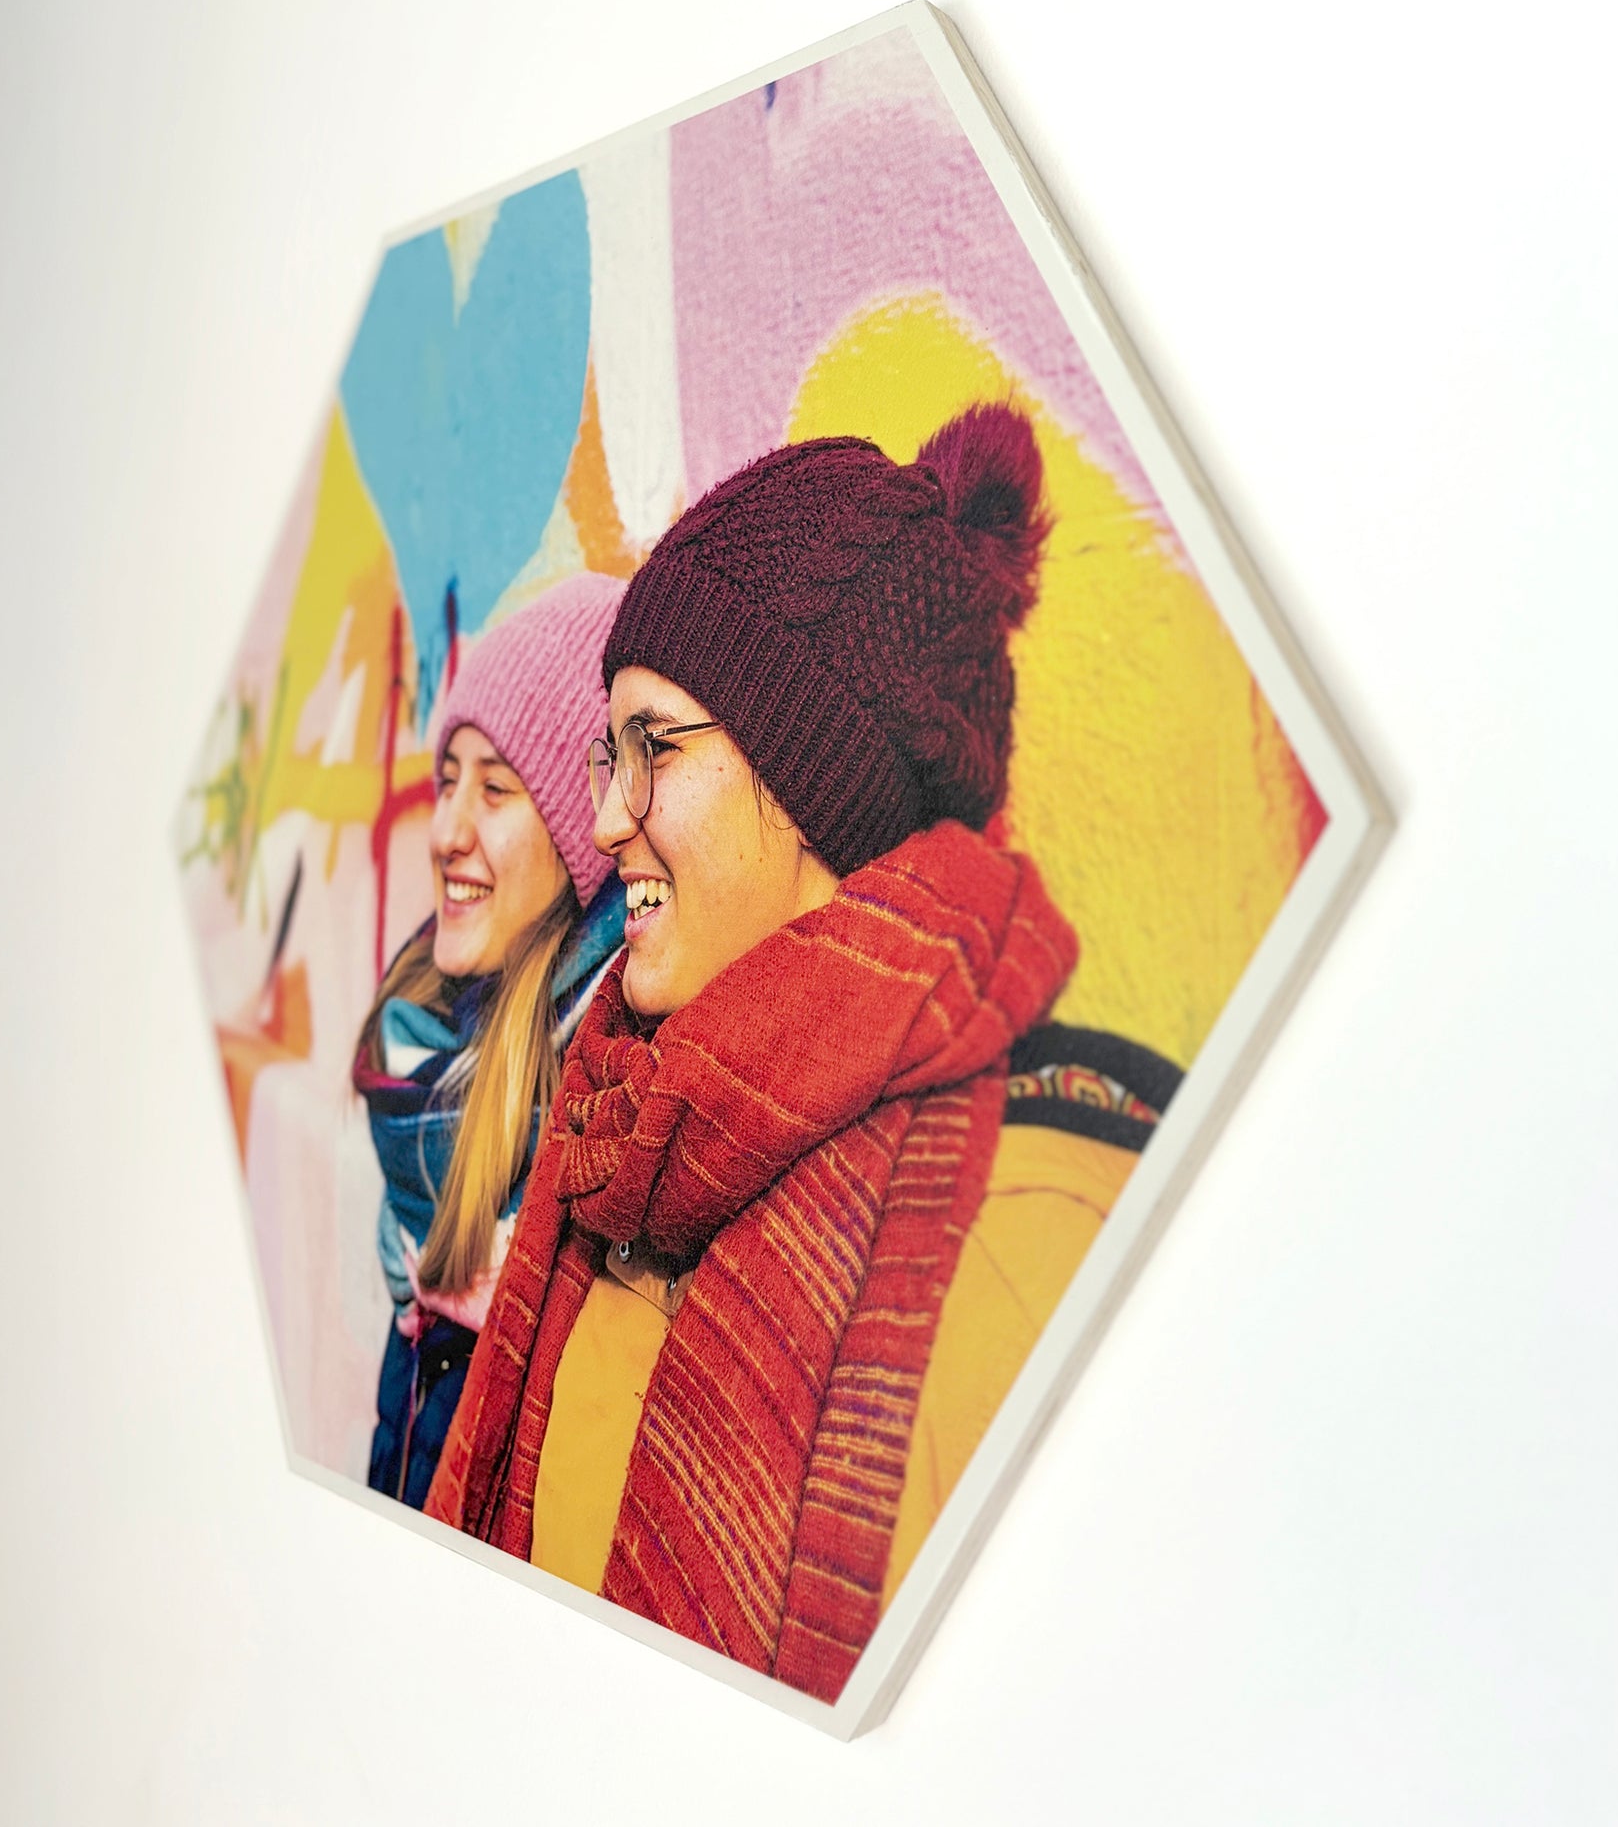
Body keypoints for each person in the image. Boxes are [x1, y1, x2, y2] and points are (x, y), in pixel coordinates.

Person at [426, 406, 1182, 1702]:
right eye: (608, 756)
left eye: (654, 747)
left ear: (817, 774)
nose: (604, 821)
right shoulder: (614, 1137)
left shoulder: (1040, 1221)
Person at [353, 572, 627, 1508]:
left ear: (582, 833)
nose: (445, 831)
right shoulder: (423, 1064)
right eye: (447, 782)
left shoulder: (592, 1142)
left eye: (497, 789)